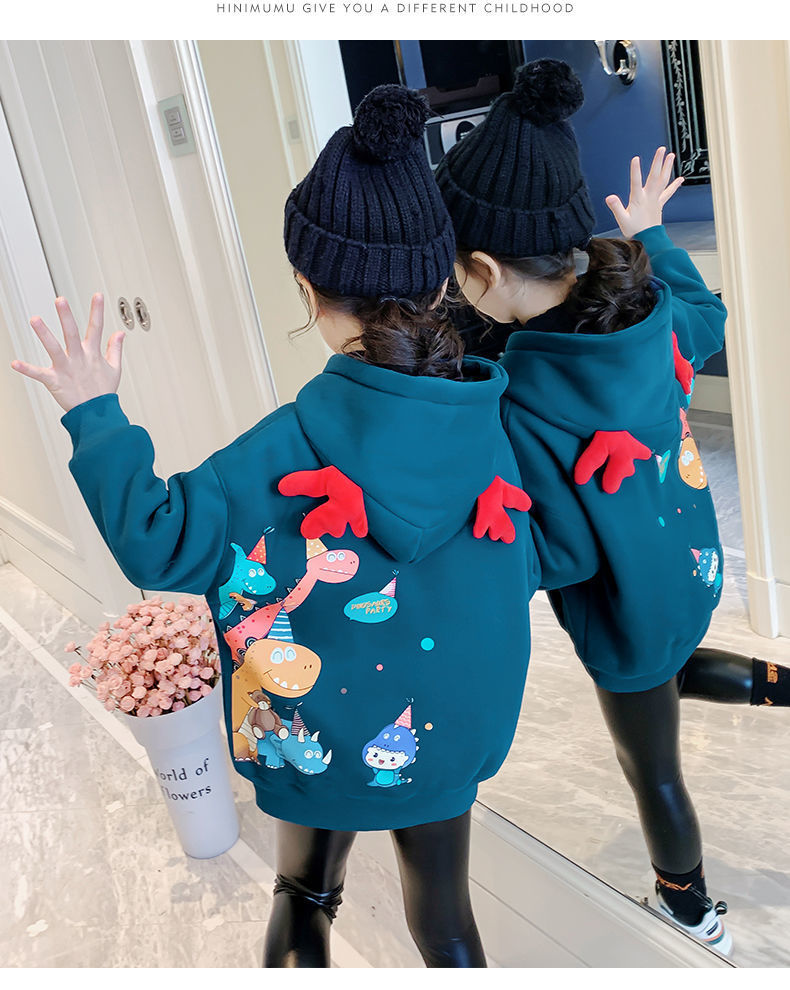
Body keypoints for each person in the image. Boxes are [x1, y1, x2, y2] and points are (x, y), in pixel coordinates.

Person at [10, 85, 545, 968]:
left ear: (308, 289)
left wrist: (95, 413)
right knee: (447, 921)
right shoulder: (491, 427)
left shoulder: (280, 450)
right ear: (440, 281)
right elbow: (522, 563)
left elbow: (156, 540)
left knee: (303, 893)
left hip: (315, 737)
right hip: (451, 732)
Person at [434, 57, 790, 955]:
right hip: (691, 566)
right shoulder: (650, 310)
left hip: (626, 611)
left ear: (483, 268)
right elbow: (707, 312)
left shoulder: (520, 398)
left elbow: (560, 555)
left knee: (651, 766)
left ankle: (689, 906)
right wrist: (652, 233)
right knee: (673, 665)